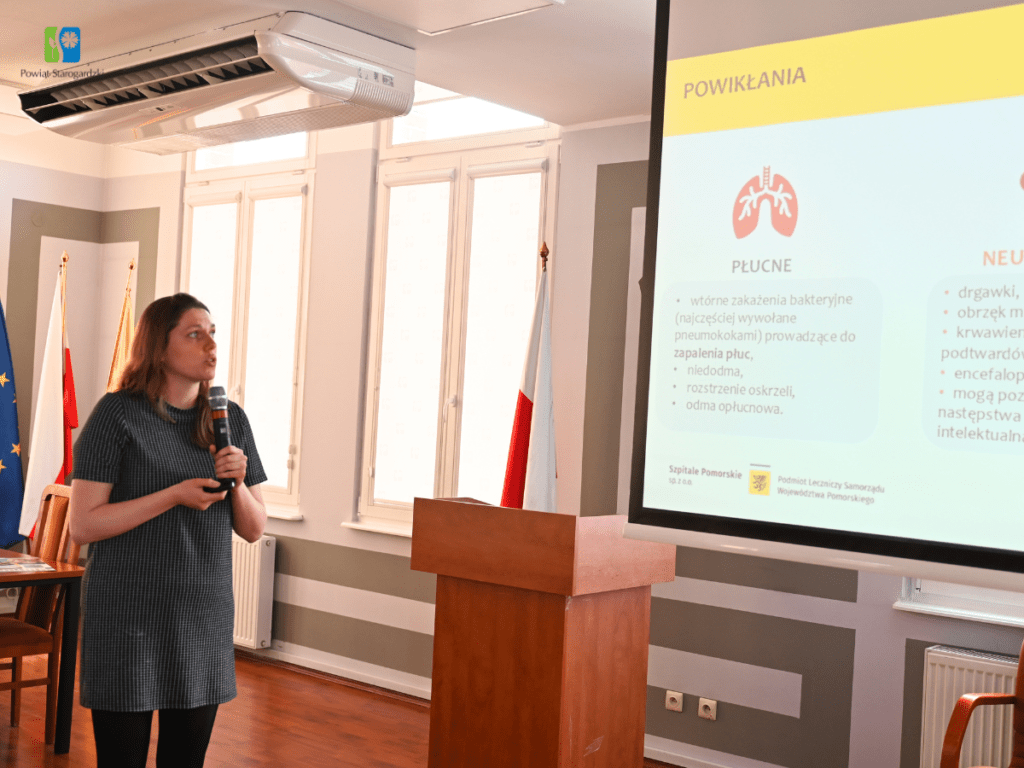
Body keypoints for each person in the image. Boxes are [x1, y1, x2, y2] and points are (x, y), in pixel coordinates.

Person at [68, 293, 267, 768]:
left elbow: (254, 528)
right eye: (195, 335)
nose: (211, 346)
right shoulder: (117, 414)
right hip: (126, 620)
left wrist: (238, 482)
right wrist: (173, 495)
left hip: (201, 617)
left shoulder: (230, 419)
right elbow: (83, 524)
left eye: (213, 333)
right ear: (159, 346)